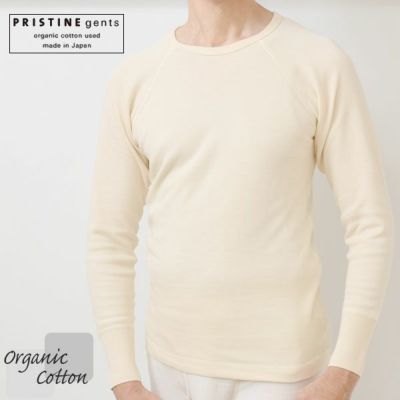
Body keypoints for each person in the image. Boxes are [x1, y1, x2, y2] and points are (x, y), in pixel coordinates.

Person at [86, 1, 395, 399]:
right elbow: (109, 237)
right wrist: (124, 377)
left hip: (283, 372)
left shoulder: (317, 63)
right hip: (168, 366)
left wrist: (344, 371)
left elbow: (370, 223)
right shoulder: (137, 78)